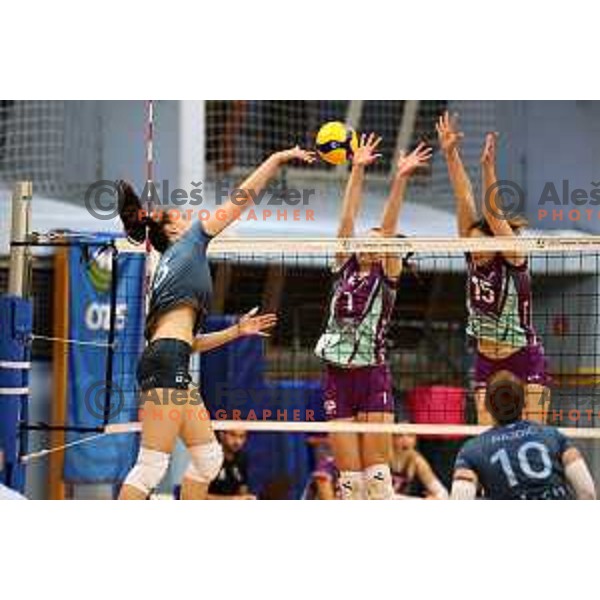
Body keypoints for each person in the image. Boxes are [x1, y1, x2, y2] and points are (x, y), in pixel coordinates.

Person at [117, 145, 315, 500]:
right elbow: (241, 199)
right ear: (174, 227)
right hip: (166, 363)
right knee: (150, 467)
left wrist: (237, 331)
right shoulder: (190, 242)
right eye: (178, 212)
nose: (188, 214)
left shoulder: (169, 265)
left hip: (169, 358)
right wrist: (276, 159)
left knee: (209, 459)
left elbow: (188, 342)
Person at [315, 133, 432, 499]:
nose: (370, 238)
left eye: (378, 238)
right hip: (337, 376)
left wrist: (400, 178)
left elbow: (389, 224)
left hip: (372, 376)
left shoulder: (387, 276)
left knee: (377, 480)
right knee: (350, 483)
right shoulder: (343, 268)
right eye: (367, 236)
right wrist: (357, 169)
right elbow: (347, 217)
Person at [437, 112, 549, 425]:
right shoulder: (472, 257)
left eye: (479, 244)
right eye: (469, 245)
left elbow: (493, 212)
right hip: (486, 360)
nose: (473, 250)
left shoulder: (513, 257)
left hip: (523, 358)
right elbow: (463, 197)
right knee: (490, 442)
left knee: (533, 437)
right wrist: (450, 154)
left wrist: (488, 169)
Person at [451, 371, 596, 500]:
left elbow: (460, 500)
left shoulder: (472, 451)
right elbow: (588, 493)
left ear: (487, 406)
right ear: (525, 403)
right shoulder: (553, 436)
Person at [390, 433, 448, 499]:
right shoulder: (382, 460)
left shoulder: (418, 462)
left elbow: (443, 493)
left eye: (410, 435)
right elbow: (377, 483)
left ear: (415, 440)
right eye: (400, 436)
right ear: (392, 438)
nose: (405, 440)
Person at [207, 430, 255, 500]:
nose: (237, 441)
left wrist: (246, 498)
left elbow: (242, 489)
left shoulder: (242, 458)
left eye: (242, 436)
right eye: (233, 435)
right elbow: (196, 495)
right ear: (221, 435)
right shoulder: (208, 457)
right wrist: (232, 499)